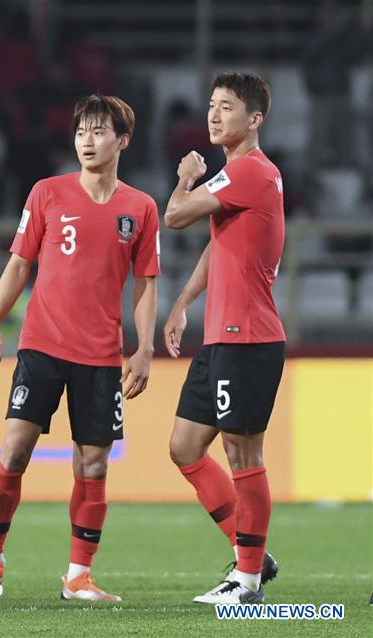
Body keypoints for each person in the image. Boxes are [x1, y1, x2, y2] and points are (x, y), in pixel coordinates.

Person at [0, 95, 159, 602]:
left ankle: (78, 574)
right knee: (13, 452)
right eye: (81, 132)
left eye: (98, 132)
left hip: (100, 355)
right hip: (42, 345)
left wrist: (143, 349)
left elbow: (145, 283)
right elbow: (18, 265)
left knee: (92, 465)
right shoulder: (47, 193)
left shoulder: (140, 208)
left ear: (122, 141)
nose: (87, 142)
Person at [163, 72, 284, 605]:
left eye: (227, 107)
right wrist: (185, 304)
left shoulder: (250, 173)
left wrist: (187, 176)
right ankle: (249, 548)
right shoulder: (237, 182)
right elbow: (219, 247)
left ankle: (249, 578)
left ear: (254, 119)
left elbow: (175, 216)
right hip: (220, 337)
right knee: (185, 447)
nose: (214, 116)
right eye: (211, 106)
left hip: (249, 338)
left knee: (242, 453)